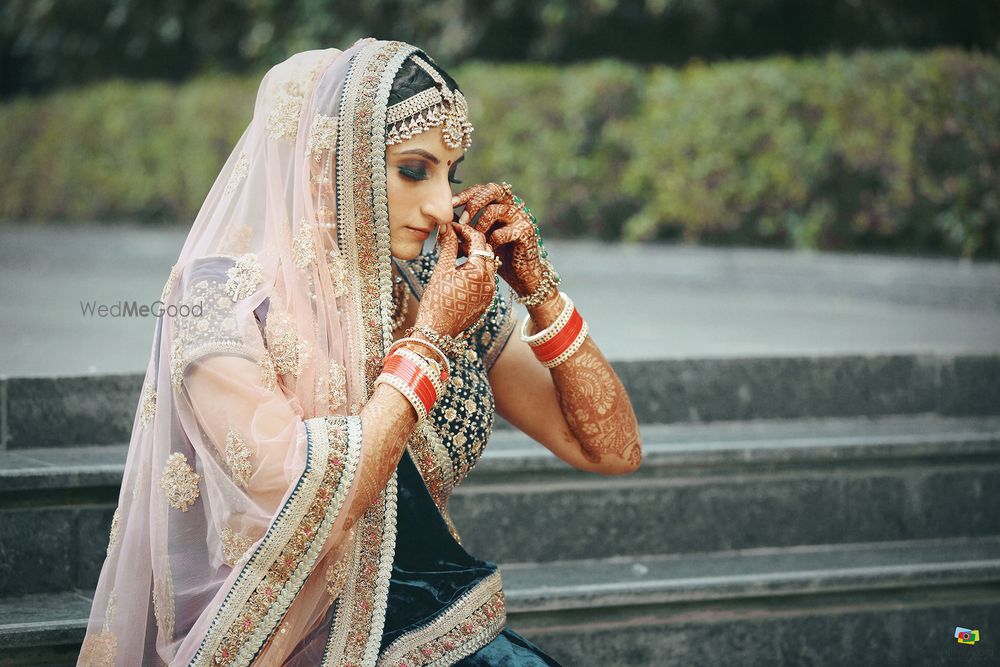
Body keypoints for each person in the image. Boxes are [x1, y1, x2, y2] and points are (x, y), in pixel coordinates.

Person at [78, 38, 642, 666]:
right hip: (297, 642)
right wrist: (427, 344)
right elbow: (297, 492)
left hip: (443, 629)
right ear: (332, 161)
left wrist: (539, 289)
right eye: (412, 169)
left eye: (448, 175)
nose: (438, 205)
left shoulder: (436, 289)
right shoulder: (221, 297)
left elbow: (612, 450)